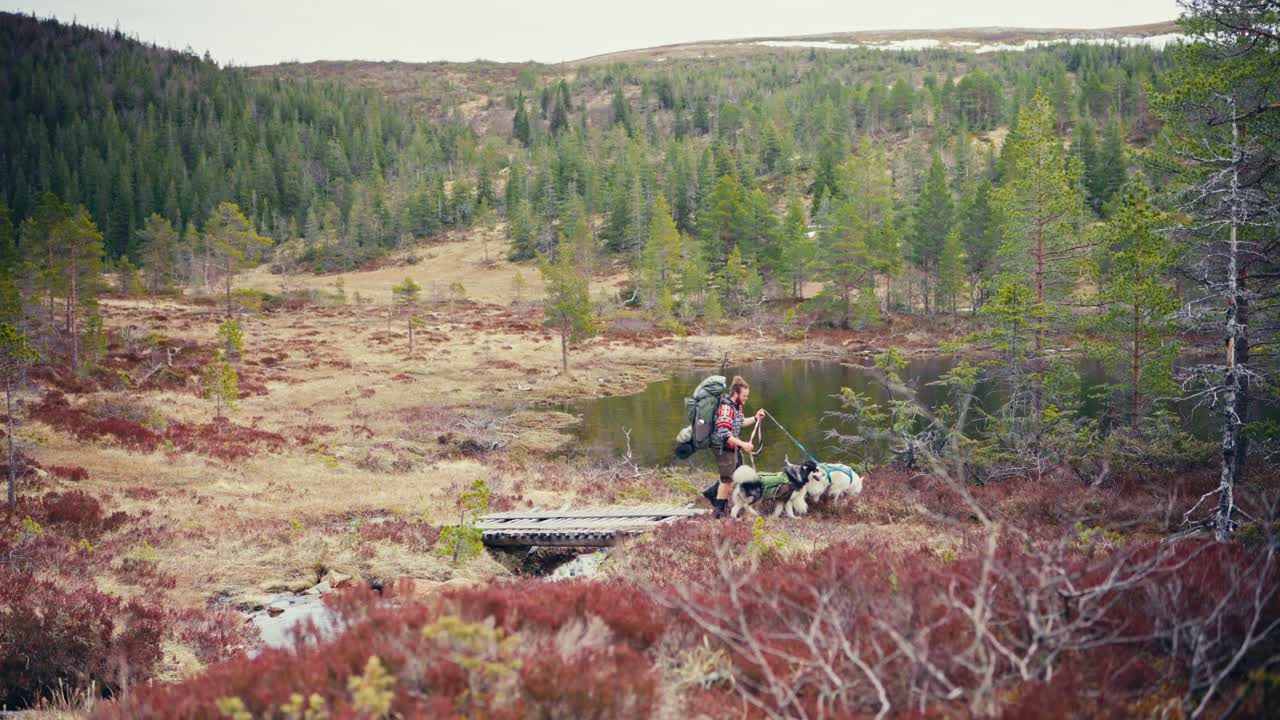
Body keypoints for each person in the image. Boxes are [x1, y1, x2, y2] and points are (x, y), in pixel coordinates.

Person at [711, 375, 766, 518]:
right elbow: (723, 432)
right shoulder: (725, 407)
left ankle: (712, 494)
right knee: (727, 481)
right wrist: (743, 444)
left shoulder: (737, 406)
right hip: (723, 448)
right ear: (736, 393)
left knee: (734, 477)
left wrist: (755, 418)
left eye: (747, 396)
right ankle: (719, 513)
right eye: (745, 395)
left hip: (733, 448)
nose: (746, 398)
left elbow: (740, 422)